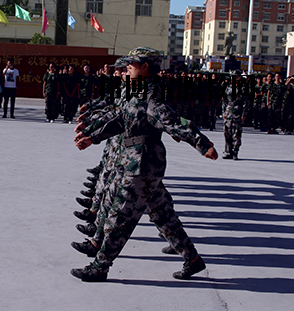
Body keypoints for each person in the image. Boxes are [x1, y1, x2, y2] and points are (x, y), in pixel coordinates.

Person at [70, 47, 218, 282]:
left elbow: (175, 122)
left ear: (146, 67)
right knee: (164, 216)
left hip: (142, 165)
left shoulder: (150, 98)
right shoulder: (136, 93)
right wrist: (92, 136)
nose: (127, 67)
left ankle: (100, 266)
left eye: (133, 63)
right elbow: (120, 119)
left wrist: (202, 144)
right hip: (137, 163)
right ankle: (193, 260)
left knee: (120, 218)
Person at [221, 70, 248, 160]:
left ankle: (235, 152)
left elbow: (246, 102)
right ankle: (228, 151)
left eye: (236, 76)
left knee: (236, 134)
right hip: (228, 112)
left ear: (239, 77)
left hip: (238, 112)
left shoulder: (243, 88)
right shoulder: (227, 88)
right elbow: (224, 101)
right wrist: (223, 112)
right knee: (227, 133)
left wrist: (244, 114)